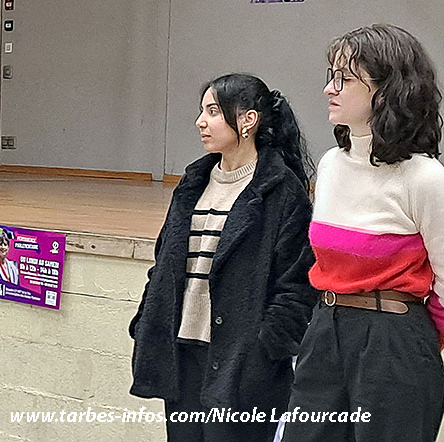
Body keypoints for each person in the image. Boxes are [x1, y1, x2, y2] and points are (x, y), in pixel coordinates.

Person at [283, 24, 444, 442]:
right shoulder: (331, 165)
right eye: (331, 76)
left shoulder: (424, 178)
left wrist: (408, 339)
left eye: (344, 79)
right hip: (324, 327)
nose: (329, 89)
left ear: (386, 92)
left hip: (393, 337)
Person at [129, 73, 317, 441]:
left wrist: (266, 347)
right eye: (202, 112)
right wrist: (147, 320)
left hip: (243, 362)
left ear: (248, 120)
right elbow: (164, 262)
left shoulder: (282, 190)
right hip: (182, 352)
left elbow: (296, 285)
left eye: (213, 111)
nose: (201, 121)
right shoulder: (193, 182)